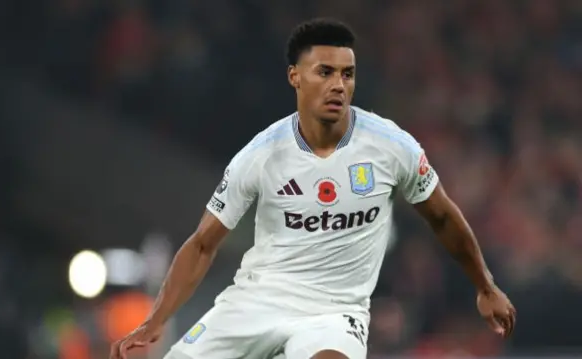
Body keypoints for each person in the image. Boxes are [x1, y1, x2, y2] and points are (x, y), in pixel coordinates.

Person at [109, 18, 516, 359]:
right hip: (256, 301)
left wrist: (486, 286)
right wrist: (155, 320)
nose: (338, 84)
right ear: (295, 77)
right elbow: (202, 244)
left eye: (347, 74)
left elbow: (442, 215)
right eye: (325, 72)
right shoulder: (262, 154)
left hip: (334, 313)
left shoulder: (392, 146)